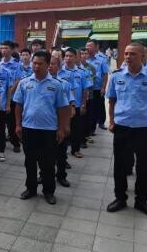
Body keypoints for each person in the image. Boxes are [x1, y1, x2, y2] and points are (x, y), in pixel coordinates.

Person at [106, 43, 147, 218]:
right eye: (126, 53)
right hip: (122, 127)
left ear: (142, 57)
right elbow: (112, 101)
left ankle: (142, 201)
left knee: (144, 166)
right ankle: (120, 198)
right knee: (120, 165)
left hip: (144, 128)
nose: (128, 57)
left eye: (132, 54)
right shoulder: (116, 76)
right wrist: (111, 121)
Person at [14, 51, 70, 205]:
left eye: (40, 64)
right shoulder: (24, 82)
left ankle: (48, 191)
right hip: (28, 128)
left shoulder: (56, 85)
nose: (36, 66)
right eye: (34, 63)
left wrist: (61, 128)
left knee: (48, 163)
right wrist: (18, 125)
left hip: (48, 130)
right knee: (30, 161)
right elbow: (18, 105)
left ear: (47, 65)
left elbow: (62, 108)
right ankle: (31, 188)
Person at [59, 48, 91, 159]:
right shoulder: (59, 72)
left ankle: (75, 150)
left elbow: (85, 90)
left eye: (71, 56)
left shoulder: (82, 72)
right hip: (63, 106)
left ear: (76, 57)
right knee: (63, 129)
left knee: (77, 129)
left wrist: (83, 104)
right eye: (66, 56)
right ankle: (62, 154)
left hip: (77, 105)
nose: (68, 58)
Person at [49, 55, 74, 188]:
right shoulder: (38, 82)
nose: (50, 66)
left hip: (60, 123)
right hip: (46, 124)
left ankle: (61, 176)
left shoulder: (64, 83)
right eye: (48, 63)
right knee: (45, 154)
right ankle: (44, 175)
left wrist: (66, 125)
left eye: (53, 64)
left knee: (61, 153)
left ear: (59, 67)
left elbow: (68, 105)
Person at [0, 40, 22, 153]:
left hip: (12, 98)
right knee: (0, 124)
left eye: (6, 48)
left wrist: (9, 91)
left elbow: (18, 79)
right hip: (0, 99)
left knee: (12, 123)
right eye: (2, 48)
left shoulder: (17, 64)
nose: (4, 50)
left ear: (12, 50)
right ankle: (0, 146)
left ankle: (15, 143)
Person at [86, 40, 109, 131]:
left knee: (99, 105)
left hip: (97, 87)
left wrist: (103, 87)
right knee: (90, 107)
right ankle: (91, 125)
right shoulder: (84, 58)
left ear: (96, 47)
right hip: (87, 88)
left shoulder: (101, 59)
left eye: (90, 46)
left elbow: (105, 74)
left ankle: (101, 122)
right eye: (87, 46)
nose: (87, 48)